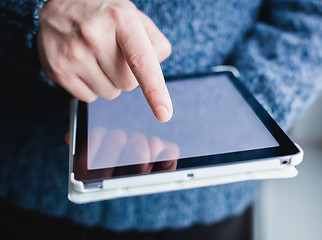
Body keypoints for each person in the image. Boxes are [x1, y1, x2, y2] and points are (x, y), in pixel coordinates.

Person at [1, 0, 321, 239]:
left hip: (216, 206)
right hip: (23, 182)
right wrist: (30, 13)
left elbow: (309, 16)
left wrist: (245, 113)